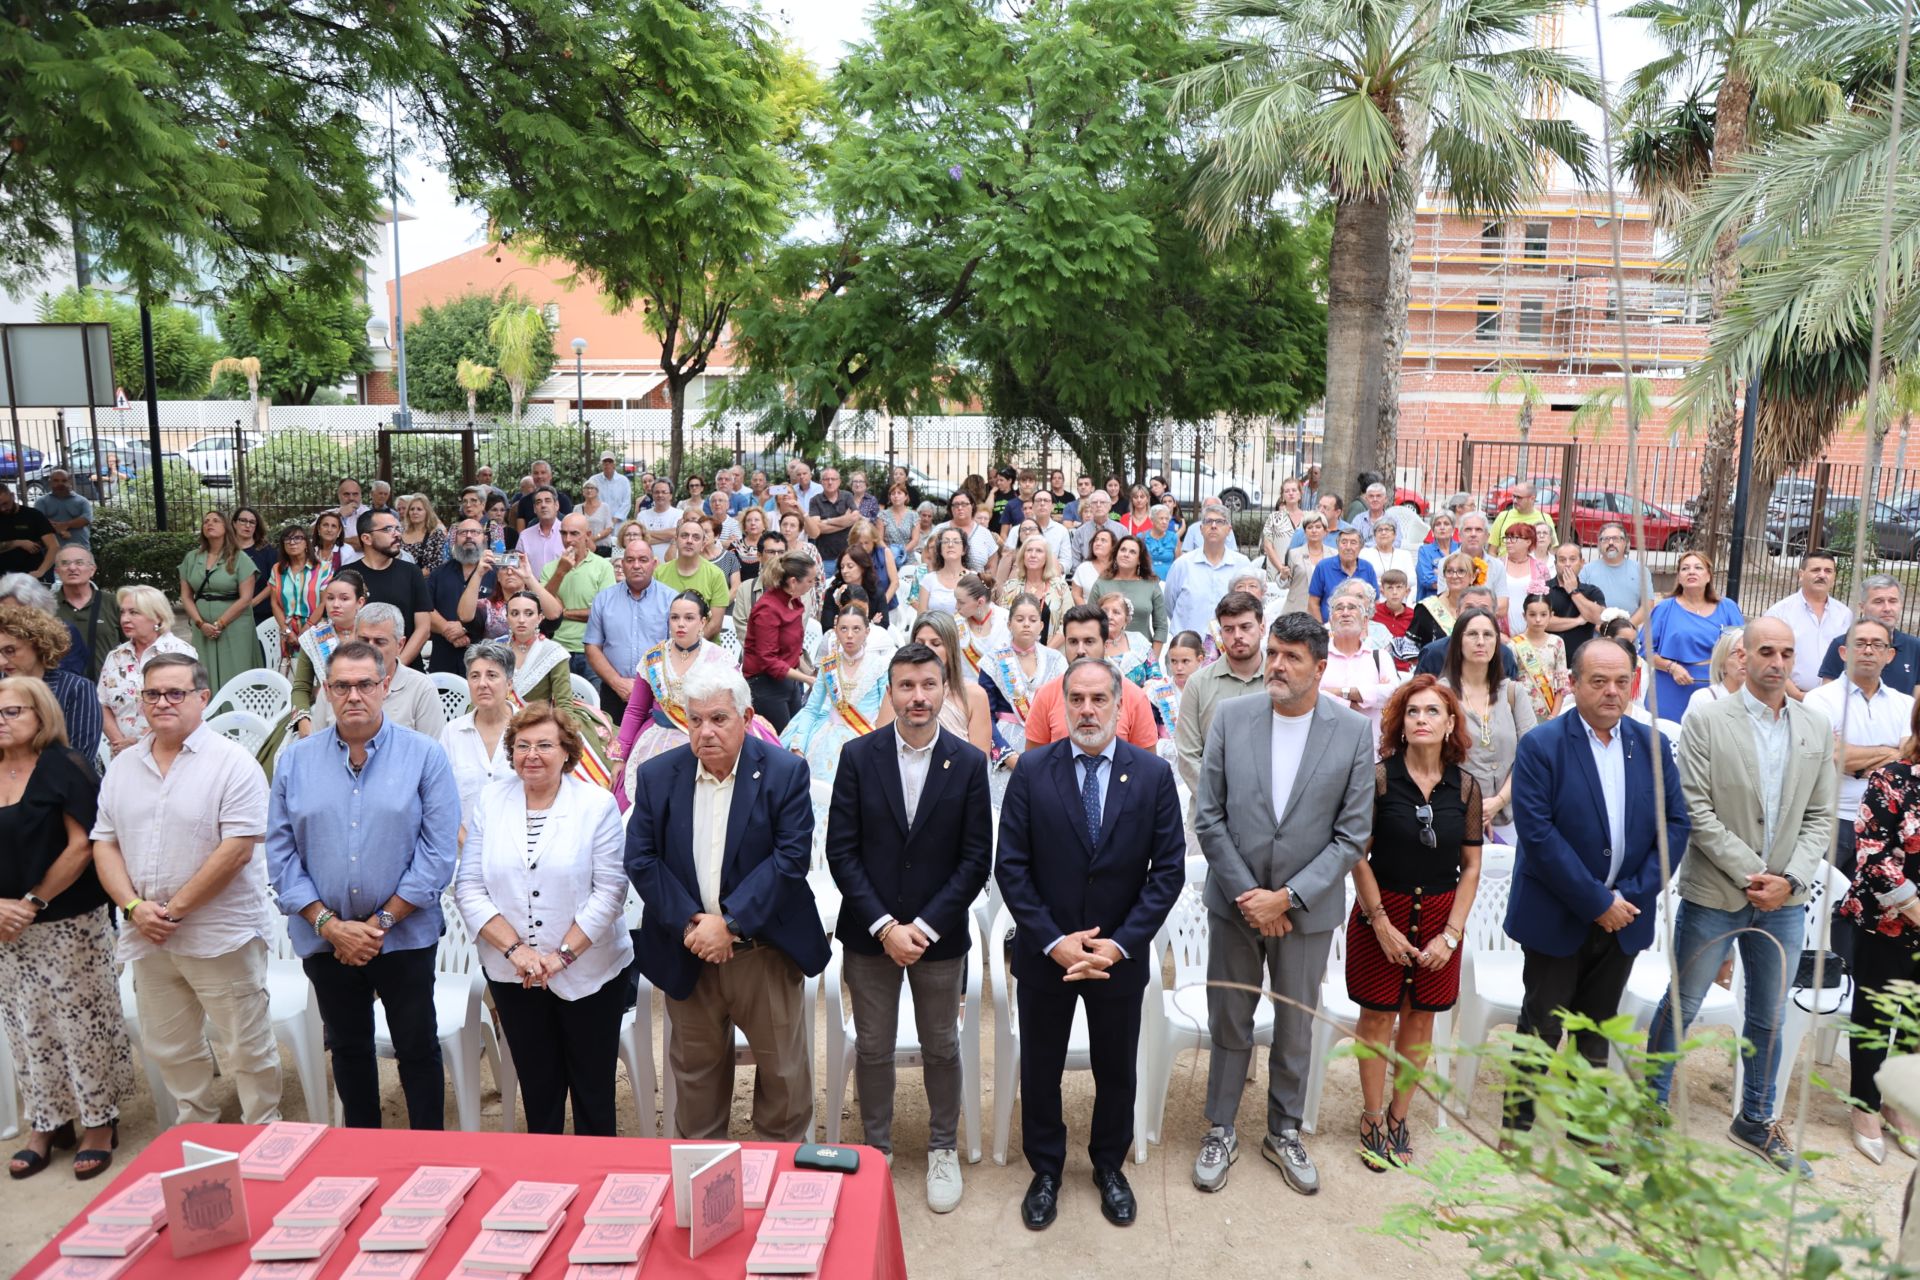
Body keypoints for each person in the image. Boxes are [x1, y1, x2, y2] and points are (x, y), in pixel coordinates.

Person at [1189, 612, 1375, 1194]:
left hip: (1306, 912)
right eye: (1272, 653)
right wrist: (1252, 897)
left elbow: (1352, 835)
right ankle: (1221, 1127)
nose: (1275, 665)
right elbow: (1209, 816)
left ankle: (1284, 1129)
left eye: (1291, 657)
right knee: (1230, 1018)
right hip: (1236, 903)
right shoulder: (1231, 716)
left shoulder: (1349, 732)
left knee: (1296, 1023)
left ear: (1321, 668)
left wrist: (1288, 898)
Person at [996, 658, 1183, 1230]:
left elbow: (1167, 871)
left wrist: (1120, 945)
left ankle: (1109, 1166)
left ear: (1121, 705)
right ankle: (1046, 1169)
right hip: (1046, 954)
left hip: (1116, 960)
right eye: (1076, 699)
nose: (1087, 710)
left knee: (1116, 1068)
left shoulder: (1151, 775)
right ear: (1061, 705)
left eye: (1099, 699)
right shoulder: (1031, 770)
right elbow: (1012, 867)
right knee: (1043, 1066)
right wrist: (1053, 940)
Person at [1648, 616, 1830, 1174]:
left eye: (1787, 652)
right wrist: (1756, 873)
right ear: (1743, 657)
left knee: (1770, 1015)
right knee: (1685, 1002)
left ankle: (1754, 1119)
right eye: (1766, 651)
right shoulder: (1705, 720)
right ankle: (1650, 1109)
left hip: (1786, 900)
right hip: (1716, 890)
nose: (1777, 662)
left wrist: (1791, 880)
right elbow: (1694, 809)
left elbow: (1821, 818)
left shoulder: (1815, 727)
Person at [626, 665, 828, 1139]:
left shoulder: (785, 772)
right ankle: (704, 1194)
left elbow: (791, 859)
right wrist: (696, 925)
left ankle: (781, 1188)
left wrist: (730, 924)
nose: (706, 732)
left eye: (719, 718)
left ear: (747, 716)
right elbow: (641, 858)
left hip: (764, 953)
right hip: (689, 949)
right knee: (695, 1081)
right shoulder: (658, 776)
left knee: (783, 1078)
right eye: (695, 721)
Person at [826, 641, 993, 1208]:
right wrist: (882, 926)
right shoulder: (857, 756)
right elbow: (841, 852)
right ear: (890, 691)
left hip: (938, 936)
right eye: (906, 686)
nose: (917, 697)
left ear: (945, 689)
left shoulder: (969, 763)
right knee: (872, 1047)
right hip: (869, 934)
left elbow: (976, 859)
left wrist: (921, 926)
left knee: (941, 1044)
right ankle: (877, 1149)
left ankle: (942, 1148)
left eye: (928, 685)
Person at [267, 640, 459, 1129]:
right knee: (349, 1049)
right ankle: (363, 1153)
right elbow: (281, 853)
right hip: (325, 942)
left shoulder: (425, 756)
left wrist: (379, 924)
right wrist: (331, 927)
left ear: (385, 685)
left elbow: (437, 855)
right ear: (327, 691)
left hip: (404, 938)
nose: (354, 695)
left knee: (416, 1046)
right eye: (342, 685)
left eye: (365, 684)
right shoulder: (295, 761)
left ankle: (429, 1156)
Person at [1503, 636, 1689, 1132]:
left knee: (1599, 1024)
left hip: (1626, 914)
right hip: (1557, 913)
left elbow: (1675, 826)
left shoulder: (1652, 744)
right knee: (1544, 1020)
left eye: (1622, 682)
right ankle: (1517, 1121)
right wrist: (1596, 901)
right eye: (1599, 681)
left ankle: (1587, 1125)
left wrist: (1628, 895)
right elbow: (1538, 836)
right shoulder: (1541, 745)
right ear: (1574, 683)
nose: (1612, 692)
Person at [91, 652, 279, 1127]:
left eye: (176, 692)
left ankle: (263, 1128)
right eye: (152, 693)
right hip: (148, 934)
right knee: (171, 1046)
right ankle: (198, 1130)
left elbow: (236, 850)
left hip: (220, 934)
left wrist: (171, 911)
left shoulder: (233, 764)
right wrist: (134, 908)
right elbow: (104, 843)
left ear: (202, 697)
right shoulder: (124, 767)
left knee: (246, 1046)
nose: (163, 703)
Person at [454, 701, 631, 1136]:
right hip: (515, 974)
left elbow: (610, 892)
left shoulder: (596, 805)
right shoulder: (490, 802)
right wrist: (517, 952)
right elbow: (469, 887)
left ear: (567, 752)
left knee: (592, 1094)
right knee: (539, 1092)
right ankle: (545, 1186)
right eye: (522, 745)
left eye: (545, 745)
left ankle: (599, 1184)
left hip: (589, 973)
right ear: (511, 752)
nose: (531, 755)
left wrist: (559, 958)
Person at [0, 676, 132, 1180]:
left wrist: (31, 902)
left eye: (13, 712)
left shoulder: (65, 767)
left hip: (67, 922)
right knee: (25, 1026)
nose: (3, 721)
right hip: (7, 931)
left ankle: (99, 1122)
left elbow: (83, 846)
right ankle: (47, 1122)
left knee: (82, 1024)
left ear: (40, 715)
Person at [1347, 676, 1481, 1169]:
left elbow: (1471, 867)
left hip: (1442, 919)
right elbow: (1357, 855)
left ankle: (1401, 1115)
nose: (1421, 720)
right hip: (1381, 911)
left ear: (1450, 725)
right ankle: (1372, 1115)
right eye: (1412, 712)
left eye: (1432, 712)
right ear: (1400, 724)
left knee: (1421, 1016)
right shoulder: (1379, 779)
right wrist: (1380, 922)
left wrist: (1453, 933)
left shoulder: (1465, 786)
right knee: (1378, 1017)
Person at [1838, 694, 1920, 1161]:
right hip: (1887, 921)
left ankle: (1900, 1103)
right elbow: (1874, 858)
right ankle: (1864, 1105)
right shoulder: (1893, 780)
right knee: (1876, 1014)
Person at [1805, 618, 1912, 894]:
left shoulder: (1906, 704)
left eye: (1877, 644)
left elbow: (1911, 761)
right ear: (1843, 653)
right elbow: (1833, 755)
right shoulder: (1819, 699)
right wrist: (1891, 754)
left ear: (1889, 655)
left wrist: (1856, 760)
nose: (1868, 650)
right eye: (1860, 643)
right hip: (1833, 820)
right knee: (1822, 904)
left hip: (1886, 825)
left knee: (1869, 910)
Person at [782, 597, 895, 789]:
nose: (849, 635)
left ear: (867, 631)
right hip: (827, 741)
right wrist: (799, 744)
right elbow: (811, 709)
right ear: (836, 631)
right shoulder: (828, 665)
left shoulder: (880, 667)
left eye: (856, 629)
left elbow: (886, 711)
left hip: (866, 738)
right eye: (844, 629)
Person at [1444, 608, 1535, 842]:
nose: (1481, 641)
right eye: (1472, 634)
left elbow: (1533, 756)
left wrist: (1499, 801)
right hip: (1456, 814)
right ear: (1458, 641)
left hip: (1513, 816)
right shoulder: (1441, 694)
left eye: (1488, 634)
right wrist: (1474, 808)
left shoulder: (1513, 693)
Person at [1023, 605, 1159, 753]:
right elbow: (1034, 763)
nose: (1080, 650)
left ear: (1106, 645)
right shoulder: (1046, 695)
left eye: (1089, 641)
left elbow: (1147, 766)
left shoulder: (1134, 697)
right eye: (1073, 642)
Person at [306, 604, 448, 740]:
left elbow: (433, 754)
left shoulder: (421, 688)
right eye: (364, 640)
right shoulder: (334, 685)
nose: (370, 649)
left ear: (400, 645)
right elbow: (316, 747)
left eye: (379, 642)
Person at [1174, 591, 1267, 785]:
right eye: (1229, 629)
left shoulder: (1281, 681)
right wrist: (1216, 802)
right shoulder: (1198, 683)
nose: (1237, 636)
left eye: (1245, 627)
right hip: (1211, 806)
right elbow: (1188, 755)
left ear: (1262, 627)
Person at [97, 585, 196, 756]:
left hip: (168, 751)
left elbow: (186, 706)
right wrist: (119, 742)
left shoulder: (180, 653)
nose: (125, 619)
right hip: (122, 753)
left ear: (157, 617)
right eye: (123, 612)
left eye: (134, 613)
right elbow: (102, 704)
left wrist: (139, 742)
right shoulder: (115, 657)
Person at [583, 539, 675, 722]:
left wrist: (648, 687)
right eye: (630, 560)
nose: (636, 565)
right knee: (615, 747)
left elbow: (676, 649)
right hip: (614, 691)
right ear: (622, 564)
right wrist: (618, 683)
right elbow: (592, 647)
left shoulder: (671, 599)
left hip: (659, 693)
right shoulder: (604, 599)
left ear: (654, 564)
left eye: (643, 560)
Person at [978, 591, 1069, 775]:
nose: (1026, 624)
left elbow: (1065, 708)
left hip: (1047, 743)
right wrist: (1008, 756)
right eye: (1020, 619)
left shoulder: (1056, 660)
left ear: (1042, 625)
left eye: (1033, 619)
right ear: (1009, 623)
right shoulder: (993, 660)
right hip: (1005, 742)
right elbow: (984, 715)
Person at [880, 612, 993, 755]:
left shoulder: (975, 695)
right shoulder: (900, 691)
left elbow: (980, 757)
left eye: (936, 643)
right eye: (920, 643)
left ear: (950, 648)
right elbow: (881, 746)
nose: (927, 649)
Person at [1648, 551, 1745, 717]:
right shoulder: (1664, 609)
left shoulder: (1728, 608)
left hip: (1717, 687)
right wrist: (1672, 668)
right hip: (1672, 688)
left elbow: (1743, 648)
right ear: (1678, 577)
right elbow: (1646, 651)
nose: (1691, 571)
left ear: (1708, 576)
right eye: (1685, 568)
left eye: (1698, 567)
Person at [0, 602, 100, 761]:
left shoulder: (76, 688)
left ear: (38, 644)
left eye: (10, 651)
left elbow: (79, 758)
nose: (2, 661)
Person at [178, 510, 263, 690]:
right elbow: (186, 596)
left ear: (226, 527)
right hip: (202, 626)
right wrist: (200, 624)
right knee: (204, 672)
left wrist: (219, 624)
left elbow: (246, 598)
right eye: (206, 521)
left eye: (216, 521)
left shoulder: (241, 558)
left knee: (235, 672)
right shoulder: (191, 558)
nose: (209, 523)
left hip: (235, 625)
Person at [442, 641, 517, 837]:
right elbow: (440, 799)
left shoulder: (528, 730)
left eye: (492, 675)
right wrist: (470, 847)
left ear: (509, 683)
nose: (482, 684)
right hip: (462, 853)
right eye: (475, 676)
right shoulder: (452, 732)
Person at [539, 513, 620, 690]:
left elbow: (603, 613)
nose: (568, 539)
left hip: (593, 650)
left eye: (574, 533)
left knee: (595, 709)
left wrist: (562, 612)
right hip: (557, 649)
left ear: (588, 535)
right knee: (560, 710)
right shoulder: (550, 568)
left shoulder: (603, 567)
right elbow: (543, 610)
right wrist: (560, 572)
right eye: (563, 533)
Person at [347, 509, 434, 668]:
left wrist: (396, 666)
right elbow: (342, 628)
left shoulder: (412, 572)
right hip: (360, 672)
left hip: (406, 671)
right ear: (367, 538)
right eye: (388, 529)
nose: (397, 534)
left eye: (397, 529)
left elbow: (423, 628)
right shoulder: (347, 575)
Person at [1762, 551, 1851, 700]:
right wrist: (1796, 694)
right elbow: (1768, 658)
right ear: (1801, 574)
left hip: (1834, 701)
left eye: (1828, 571)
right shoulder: (1780, 613)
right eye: (1816, 570)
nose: (1822, 575)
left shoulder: (1845, 615)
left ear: (1834, 577)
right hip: (1789, 699)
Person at [744, 553, 817, 733]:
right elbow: (767, 660)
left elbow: (793, 650)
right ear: (793, 582)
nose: (812, 585)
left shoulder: (793, 602)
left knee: (796, 735)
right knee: (780, 739)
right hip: (765, 685)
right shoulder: (768, 608)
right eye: (810, 581)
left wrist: (812, 675)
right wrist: (807, 679)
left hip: (789, 681)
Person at [1323, 582, 1400, 754]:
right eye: (1339, 608)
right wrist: (1365, 699)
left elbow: (1392, 695)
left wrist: (1338, 693)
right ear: (1330, 620)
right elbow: (1312, 697)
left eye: (1352, 608)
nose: (1345, 613)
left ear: (1365, 620)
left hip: (1372, 752)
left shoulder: (1379, 657)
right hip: (1327, 751)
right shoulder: (1318, 658)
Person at [1816, 575, 1920, 695]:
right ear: (1862, 607)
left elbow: (1917, 702)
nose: (1887, 608)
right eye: (1878, 601)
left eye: (1893, 601)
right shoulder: (1843, 644)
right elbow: (1827, 693)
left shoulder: (1915, 647)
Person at [1165, 504, 1251, 636]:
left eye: (1220, 522)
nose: (1214, 526)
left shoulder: (1242, 564)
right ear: (1201, 529)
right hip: (1187, 647)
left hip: (1228, 646)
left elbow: (1249, 603)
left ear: (1229, 529)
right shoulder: (1182, 565)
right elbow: (1170, 605)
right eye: (1208, 521)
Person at [1093, 535, 1168, 661]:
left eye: (1132, 552)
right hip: (1106, 655)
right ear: (1116, 554)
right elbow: (1090, 620)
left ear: (1139, 559)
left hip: (1141, 656)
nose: (1126, 554)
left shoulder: (1151, 584)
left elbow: (1161, 626)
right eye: (1122, 550)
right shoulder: (1102, 583)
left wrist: (1151, 660)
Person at [267, 524, 330, 667]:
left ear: (306, 543)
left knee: (321, 673)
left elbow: (324, 602)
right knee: (292, 675)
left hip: (317, 629)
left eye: (297, 538)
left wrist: (307, 628)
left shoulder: (323, 568)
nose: (292, 542)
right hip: (288, 633)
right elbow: (274, 603)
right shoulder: (277, 569)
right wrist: (287, 631)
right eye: (287, 539)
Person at [999, 536, 1075, 649]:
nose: (1033, 555)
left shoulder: (1060, 587)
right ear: (1023, 556)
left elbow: (1069, 622)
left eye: (1039, 551)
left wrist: (1046, 652)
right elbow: (1003, 622)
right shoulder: (1010, 587)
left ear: (1046, 558)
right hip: (1017, 653)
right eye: (1029, 550)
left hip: (1052, 654)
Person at [52, 546, 112, 681]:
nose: (72, 568)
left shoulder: (113, 603)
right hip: (60, 690)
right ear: (57, 571)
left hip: (107, 690)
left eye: (79, 563)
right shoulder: (45, 606)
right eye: (65, 563)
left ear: (92, 570)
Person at [1580, 522, 1652, 629]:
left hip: (1628, 639)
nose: (1610, 542)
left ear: (1625, 543)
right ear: (1599, 544)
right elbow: (1580, 604)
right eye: (1605, 539)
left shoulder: (1641, 571)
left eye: (1615, 538)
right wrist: (1602, 629)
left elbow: (1648, 605)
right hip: (1594, 638)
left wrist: (1626, 629)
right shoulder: (1586, 571)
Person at [1511, 593, 1570, 721]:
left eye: (1543, 615)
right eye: (1532, 615)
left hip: (1550, 712)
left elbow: (1561, 683)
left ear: (1551, 615)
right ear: (1524, 616)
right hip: (1522, 714)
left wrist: (1554, 716)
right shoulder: (1514, 645)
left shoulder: (1556, 643)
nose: (1538, 620)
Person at [1544, 541, 1605, 661]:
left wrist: (1574, 591)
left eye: (1572, 559)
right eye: (1562, 560)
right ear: (1555, 564)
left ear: (1582, 563)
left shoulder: (1592, 592)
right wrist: (1578, 620)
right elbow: (1542, 622)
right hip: (1547, 660)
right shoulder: (1543, 589)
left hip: (1582, 660)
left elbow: (1598, 618)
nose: (1567, 564)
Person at [1681, 627, 1749, 728]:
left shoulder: (1763, 701)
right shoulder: (1704, 699)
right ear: (1722, 662)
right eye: (1736, 653)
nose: (1744, 660)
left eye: (1749, 653)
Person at [1307, 528, 1379, 623]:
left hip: (1361, 628)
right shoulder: (1323, 567)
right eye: (1344, 542)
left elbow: (1375, 601)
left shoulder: (1367, 568)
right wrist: (1321, 631)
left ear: (1361, 547)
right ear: (1337, 545)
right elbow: (1313, 603)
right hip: (1330, 629)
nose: (1348, 547)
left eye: (1353, 543)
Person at [804, 466, 859, 578]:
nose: (830, 482)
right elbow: (817, 528)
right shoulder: (815, 500)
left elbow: (855, 517)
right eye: (826, 479)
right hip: (825, 557)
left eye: (833, 479)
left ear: (839, 481)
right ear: (821, 482)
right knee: (826, 591)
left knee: (847, 591)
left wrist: (827, 521)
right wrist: (845, 522)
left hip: (847, 555)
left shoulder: (847, 496)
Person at [1495, 523, 1549, 636]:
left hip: (1530, 632)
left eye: (1514, 538)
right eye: (1507, 537)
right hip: (1500, 633)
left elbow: (1544, 602)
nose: (1508, 541)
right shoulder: (1497, 565)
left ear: (1528, 542)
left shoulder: (1540, 568)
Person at [1279, 512, 1335, 618]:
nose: (1314, 530)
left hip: (1324, 611)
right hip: (1296, 610)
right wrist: (1283, 576)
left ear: (1325, 532)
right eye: (1310, 527)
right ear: (1305, 532)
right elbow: (1284, 584)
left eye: (1318, 527)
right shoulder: (1293, 553)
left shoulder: (1334, 555)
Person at [0, 481, 57, 579]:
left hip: (31, 576)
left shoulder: (33, 515)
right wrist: (18, 543)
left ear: (12, 496)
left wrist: (41, 571)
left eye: (5, 503)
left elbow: (54, 546)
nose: (3, 509)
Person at [35, 469, 92, 551]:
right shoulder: (41, 502)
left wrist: (65, 525)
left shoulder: (82, 501)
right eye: (56, 480)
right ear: (50, 482)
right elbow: (39, 522)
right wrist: (60, 530)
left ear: (70, 481)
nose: (60, 483)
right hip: (51, 553)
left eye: (64, 480)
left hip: (80, 550)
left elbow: (86, 519)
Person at [1262, 477, 1309, 575]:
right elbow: (1268, 546)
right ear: (1283, 496)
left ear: (1300, 494)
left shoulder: (1309, 517)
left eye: (1294, 490)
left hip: (1303, 573)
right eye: (1287, 491)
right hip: (1277, 571)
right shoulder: (1273, 517)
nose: (1291, 493)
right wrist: (1281, 569)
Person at [1489, 480, 1555, 547]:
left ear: (1532, 498)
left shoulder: (1545, 519)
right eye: (1514, 496)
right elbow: (1492, 550)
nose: (1514, 500)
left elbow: (1552, 548)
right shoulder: (1503, 517)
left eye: (1519, 498)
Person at [512, 460, 574, 528]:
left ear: (550, 476)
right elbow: (521, 532)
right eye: (536, 473)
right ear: (532, 476)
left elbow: (569, 525)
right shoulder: (524, 502)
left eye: (543, 472)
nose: (539, 476)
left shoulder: (563, 500)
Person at [395, 494, 445, 577]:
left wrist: (413, 577)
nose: (415, 512)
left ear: (427, 512)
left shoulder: (436, 534)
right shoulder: (400, 532)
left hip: (425, 582)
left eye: (419, 509)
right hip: (399, 579)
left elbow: (438, 563)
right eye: (412, 509)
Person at [1360, 515, 1416, 587]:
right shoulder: (1365, 554)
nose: (1383, 533)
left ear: (1394, 535)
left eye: (1387, 529)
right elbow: (1362, 580)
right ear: (1374, 535)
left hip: (1399, 595)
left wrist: (1388, 585)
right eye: (1380, 530)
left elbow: (1412, 580)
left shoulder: (1404, 555)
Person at [1414, 513, 1456, 601]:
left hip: (1456, 602)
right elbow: (1427, 581)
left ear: (1453, 529)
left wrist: (1439, 574)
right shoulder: (1425, 551)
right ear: (1433, 530)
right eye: (1438, 524)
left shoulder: (1460, 549)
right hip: (1431, 602)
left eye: (1446, 524)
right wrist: (1455, 579)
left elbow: (1467, 579)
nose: (1442, 527)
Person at [591, 451, 632, 523]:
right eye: (605, 461)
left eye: (610, 461)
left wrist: (616, 518)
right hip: (599, 522)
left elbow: (627, 502)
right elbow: (590, 499)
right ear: (601, 464)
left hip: (619, 523)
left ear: (614, 464)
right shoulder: (594, 480)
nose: (607, 464)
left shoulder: (623, 481)